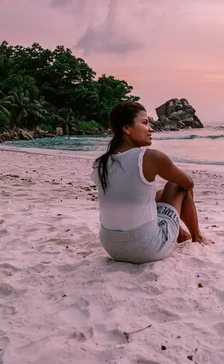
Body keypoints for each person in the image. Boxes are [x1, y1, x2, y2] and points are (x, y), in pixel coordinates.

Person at [91, 101, 213, 264]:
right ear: (126, 129)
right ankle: (196, 236)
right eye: (145, 123)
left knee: (158, 195)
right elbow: (189, 183)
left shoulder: (100, 163)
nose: (151, 128)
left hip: (112, 247)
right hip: (146, 248)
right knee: (176, 185)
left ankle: (181, 233)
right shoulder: (150, 157)